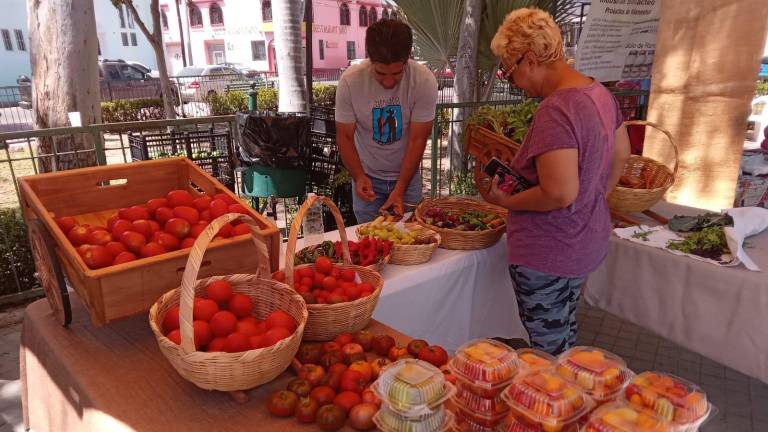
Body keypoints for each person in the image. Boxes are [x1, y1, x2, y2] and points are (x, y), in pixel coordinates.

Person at [488, 8, 631, 355]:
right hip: (582, 242)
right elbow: (622, 153)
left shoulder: (556, 110)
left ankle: (557, 390)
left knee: (546, 355)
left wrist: (506, 201)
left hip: (548, 252)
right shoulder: (598, 92)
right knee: (564, 337)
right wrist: (595, 196)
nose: (513, 83)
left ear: (530, 60)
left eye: (509, 72)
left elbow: (559, 192)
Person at [335, 20, 438, 223]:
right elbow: (344, 137)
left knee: (410, 237)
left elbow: (418, 140)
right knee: (369, 238)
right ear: (370, 59)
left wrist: (400, 188)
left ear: (407, 59)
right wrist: (359, 176)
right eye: (380, 73)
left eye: (397, 73)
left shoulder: (424, 81)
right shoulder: (350, 81)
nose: (389, 81)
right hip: (367, 177)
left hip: (408, 179)